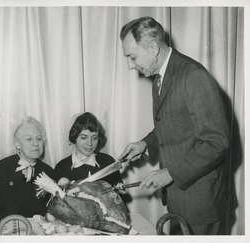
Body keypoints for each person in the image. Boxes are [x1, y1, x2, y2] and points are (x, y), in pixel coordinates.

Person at [118, 17, 230, 235]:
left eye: (132, 57)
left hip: (200, 204)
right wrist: (145, 143)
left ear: (153, 47)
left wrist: (171, 173)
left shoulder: (193, 76)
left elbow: (217, 142)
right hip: (179, 197)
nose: (131, 65)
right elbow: (171, 124)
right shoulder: (160, 76)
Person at [0, 116, 57, 234]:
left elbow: (51, 214)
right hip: (3, 232)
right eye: (29, 139)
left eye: (39, 138)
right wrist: (0, 232)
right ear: (17, 145)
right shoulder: (0, 168)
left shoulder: (49, 172)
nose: (36, 143)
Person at [54, 112, 123, 187]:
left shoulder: (108, 162)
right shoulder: (61, 167)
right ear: (74, 138)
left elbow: (122, 196)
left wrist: (121, 192)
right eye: (84, 137)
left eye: (94, 138)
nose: (90, 143)